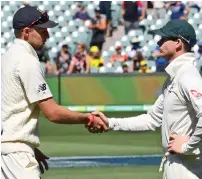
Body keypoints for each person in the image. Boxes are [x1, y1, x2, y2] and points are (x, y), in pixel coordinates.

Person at [1, 6, 107, 179]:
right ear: (26, 32)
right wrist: (88, 118)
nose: (48, 36)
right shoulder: (26, 60)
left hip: (6, 151)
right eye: (42, 31)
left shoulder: (6, 58)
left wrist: (31, 148)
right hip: (17, 155)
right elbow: (53, 113)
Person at [88, 20, 202, 179]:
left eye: (164, 38)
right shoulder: (174, 78)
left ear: (178, 43)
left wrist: (188, 147)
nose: (158, 42)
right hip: (176, 164)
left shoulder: (187, 75)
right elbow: (152, 119)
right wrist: (111, 123)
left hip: (187, 168)